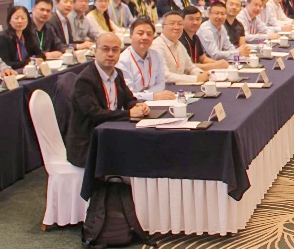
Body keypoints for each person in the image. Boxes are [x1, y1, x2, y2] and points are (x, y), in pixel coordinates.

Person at [64, 32, 149, 168]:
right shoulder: (85, 80)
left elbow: (129, 99)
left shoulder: (117, 73)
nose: (110, 54)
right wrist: (129, 113)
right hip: (89, 143)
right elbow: (95, 114)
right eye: (105, 49)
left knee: (144, 145)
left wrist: (138, 106)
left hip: (110, 133)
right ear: (95, 51)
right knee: (136, 152)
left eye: (115, 50)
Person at [117, 17, 175, 102]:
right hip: (132, 104)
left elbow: (160, 84)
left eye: (149, 34)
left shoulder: (157, 56)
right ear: (131, 36)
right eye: (140, 33)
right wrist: (152, 96)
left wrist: (147, 94)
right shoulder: (122, 61)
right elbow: (128, 94)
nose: (145, 37)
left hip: (153, 102)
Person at [152, 11, 206, 85]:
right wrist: (196, 78)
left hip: (179, 87)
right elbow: (164, 76)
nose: (176, 27)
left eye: (180, 24)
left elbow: (190, 67)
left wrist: (201, 74)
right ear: (163, 27)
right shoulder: (156, 46)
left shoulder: (179, 44)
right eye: (172, 24)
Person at [0, 5, 44, 70]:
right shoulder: (3, 39)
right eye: (16, 18)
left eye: (23, 18)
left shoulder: (28, 36)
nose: (20, 21)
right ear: (9, 20)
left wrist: (34, 60)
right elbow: (6, 64)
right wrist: (28, 62)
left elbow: (40, 54)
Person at [182, 6, 227, 70]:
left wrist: (218, 63)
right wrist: (215, 65)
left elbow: (203, 58)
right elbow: (187, 66)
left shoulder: (195, 37)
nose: (195, 22)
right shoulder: (179, 38)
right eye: (191, 19)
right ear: (182, 20)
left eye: (198, 19)